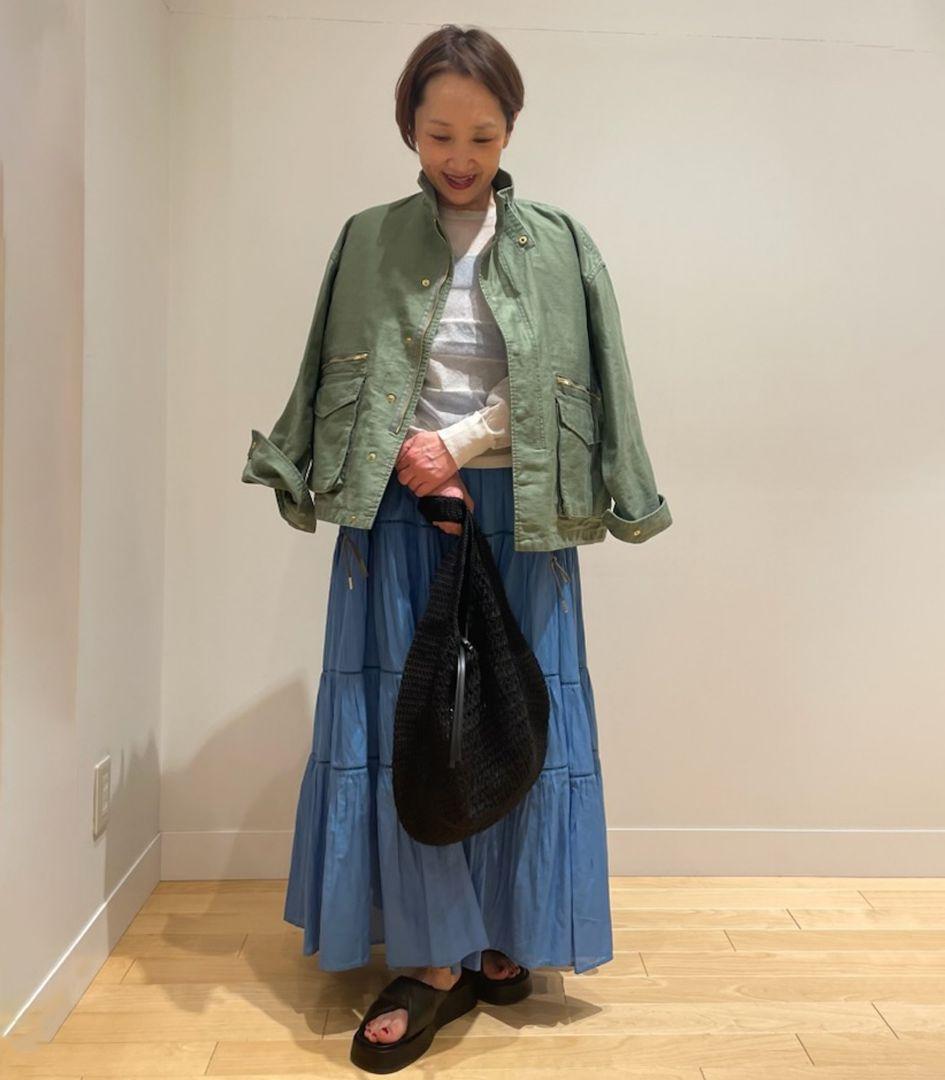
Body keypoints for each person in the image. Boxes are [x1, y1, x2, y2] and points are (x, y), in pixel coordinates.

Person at [250, 23, 672, 1074]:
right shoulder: (367, 238)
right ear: (409, 128)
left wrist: (465, 443)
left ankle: (503, 929)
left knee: (520, 712)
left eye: (482, 135)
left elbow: (592, 374)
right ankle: (433, 957)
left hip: (524, 508)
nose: (461, 156)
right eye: (440, 133)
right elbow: (333, 364)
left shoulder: (560, 242)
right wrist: (376, 455)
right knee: (414, 722)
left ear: (510, 130)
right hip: (401, 505)